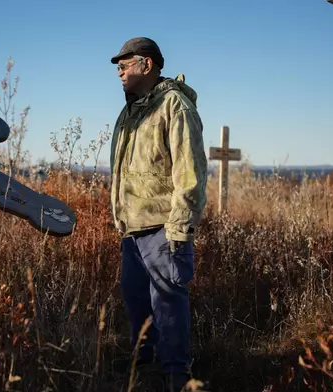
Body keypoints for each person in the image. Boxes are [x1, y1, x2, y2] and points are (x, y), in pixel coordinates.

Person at [108, 37, 208, 391]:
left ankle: (176, 373)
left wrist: (180, 226)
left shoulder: (174, 106)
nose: (119, 72)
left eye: (124, 65)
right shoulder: (129, 112)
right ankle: (144, 359)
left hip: (164, 227)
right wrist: (120, 217)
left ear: (146, 65)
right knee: (136, 296)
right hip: (132, 226)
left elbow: (190, 171)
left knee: (167, 297)